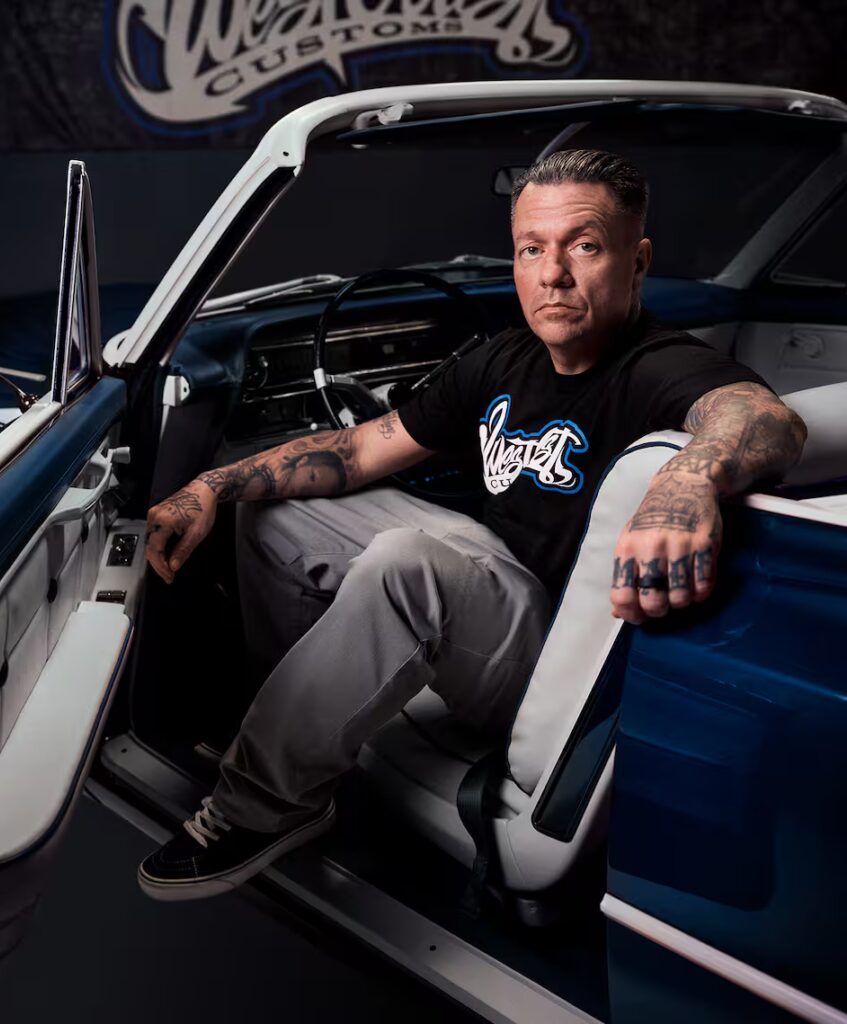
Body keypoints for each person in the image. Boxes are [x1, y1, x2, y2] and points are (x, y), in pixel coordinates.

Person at [136, 149, 807, 900]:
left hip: (551, 660)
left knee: (404, 563)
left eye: (585, 246)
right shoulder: (503, 359)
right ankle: (294, 738)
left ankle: (261, 804)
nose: (553, 275)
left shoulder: (658, 365)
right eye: (531, 250)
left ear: (637, 260)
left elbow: (763, 417)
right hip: (493, 585)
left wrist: (687, 477)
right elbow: (360, 450)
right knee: (274, 506)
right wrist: (212, 483)